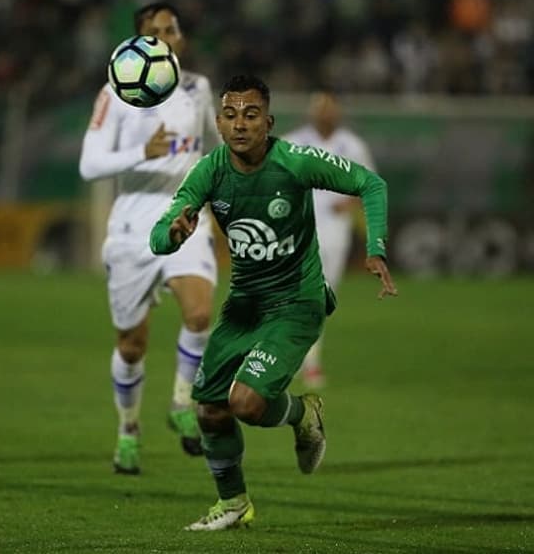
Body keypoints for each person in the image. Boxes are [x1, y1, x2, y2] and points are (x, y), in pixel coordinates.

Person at [150, 74, 396, 530]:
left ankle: (304, 413)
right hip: (245, 304)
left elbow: (371, 183)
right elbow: (160, 236)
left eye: (250, 114)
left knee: (245, 402)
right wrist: (173, 233)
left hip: (297, 302)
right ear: (219, 125)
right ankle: (235, 504)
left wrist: (376, 247)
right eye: (230, 115)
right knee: (208, 409)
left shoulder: (295, 161)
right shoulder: (208, 171)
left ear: (269, 122)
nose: (240, 124)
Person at [79, 2, 219, 475]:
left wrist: (221, 206)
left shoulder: (199, 89)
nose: (167, 38)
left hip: (185, 218)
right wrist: (144, 150)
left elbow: (212, 152)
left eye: (172, 29)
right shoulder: (115, 93)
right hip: (131, 230)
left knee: (200, 313)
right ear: (137, 43)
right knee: (132, 347)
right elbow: (90, 164)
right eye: (155, 32)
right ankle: (128, 430)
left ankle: (182, 402)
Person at [283, 91, 375, 388]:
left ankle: (301, 358)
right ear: (311, 113)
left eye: (330, 109)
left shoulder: (353, 146)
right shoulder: (293, 142)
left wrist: (350, 202)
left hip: (336, 231)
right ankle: (306, 362)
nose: (326, 114)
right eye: (320, 109)